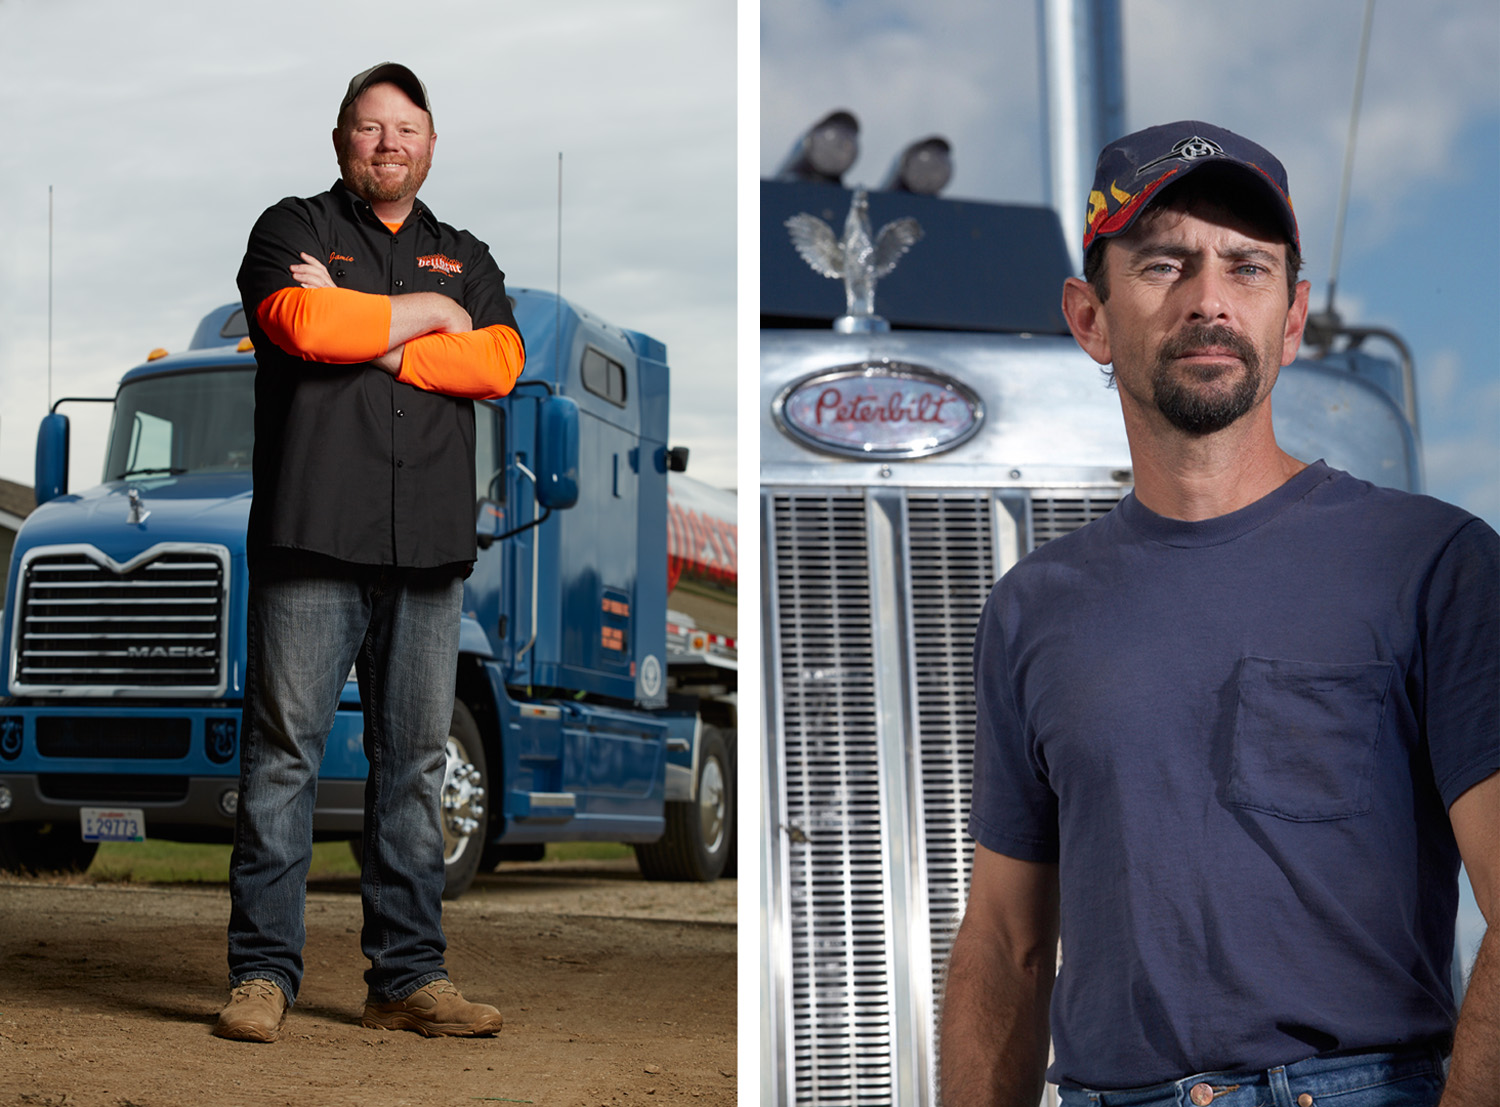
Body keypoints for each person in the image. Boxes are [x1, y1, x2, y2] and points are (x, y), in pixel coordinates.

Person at [940, 121, 1498, 1106]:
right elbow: (1004, 942)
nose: (1209, 299)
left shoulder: (1433, 564)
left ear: (1292, 317)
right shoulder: (1031, 610)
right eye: (1163, 263)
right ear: (1090, 316)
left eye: (1247, 268)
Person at [214, 62, 525, 1043]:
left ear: (431, 144)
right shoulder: (290, 232)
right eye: (369, 127)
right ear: (342, 139)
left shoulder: (464, 255)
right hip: (313, 534)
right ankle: (263, 975)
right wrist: (432, 323)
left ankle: (407, 980)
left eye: (406, 128)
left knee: (415, 768)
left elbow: (499, 363)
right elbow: (301, 323)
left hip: (428, 548)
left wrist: (383, 332)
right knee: (282, 761)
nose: (388, 144)